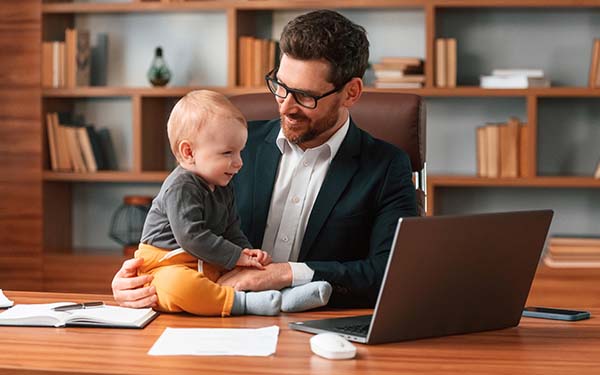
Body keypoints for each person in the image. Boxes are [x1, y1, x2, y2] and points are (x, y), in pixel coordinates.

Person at [112, 10, 417, 309]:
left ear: (351, 93)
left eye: (305, 96)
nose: (285, 106)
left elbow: (388, 274)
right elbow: (175, 230)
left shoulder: (387, 166)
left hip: (320, 330)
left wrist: (286, 273)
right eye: (280, 86)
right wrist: (134, 282)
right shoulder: (229, 149)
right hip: (219, 325)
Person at [134, 90, 331, 316]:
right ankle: (245, 304)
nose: (238, 163)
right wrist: (237, 256)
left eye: (240, 152)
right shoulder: (181, 186)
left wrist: (248, 254)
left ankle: (285, 297)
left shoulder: (223, 186)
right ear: (189, 152)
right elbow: (191, 237)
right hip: (165, 265)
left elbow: (231, 229)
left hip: (205, 258)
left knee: (251, 273)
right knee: (178, 286)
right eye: (228, 153)